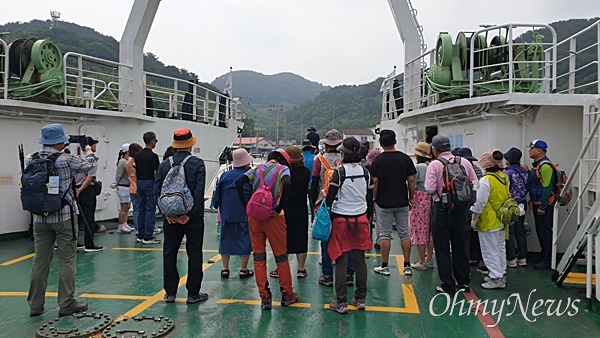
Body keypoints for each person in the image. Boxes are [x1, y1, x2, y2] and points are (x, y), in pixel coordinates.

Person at [27, 124, 93, 317]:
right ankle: (66, 303)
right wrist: (87, 148)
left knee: (40, 260)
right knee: (67, 259)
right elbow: (90, 166)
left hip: (39, 217)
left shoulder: (31, 158)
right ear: (60, 141)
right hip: (63, 215)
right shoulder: (66, 159)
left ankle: (35, 305)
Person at [235, 150, 298, 310]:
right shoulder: (283, 169)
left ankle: (264, 297)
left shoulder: (257, 169)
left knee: (259, 257)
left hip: (255, 216)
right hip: (273, 217)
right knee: (281, 257)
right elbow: (288, 183)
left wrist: (246, 205)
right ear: (282, 160)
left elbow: (239, 182)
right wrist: (279, 207)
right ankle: (287, 294)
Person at [155, 128, 208, 303]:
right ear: (191, 144)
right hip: (192, 217)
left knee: (170, 252)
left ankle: (170, 292)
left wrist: (166, 213)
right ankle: (193, 293)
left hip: (170, 217)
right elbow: (199, 193)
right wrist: (190, 215)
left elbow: (158, 191)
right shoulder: (198, 164)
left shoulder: (165, 164)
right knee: (194, 252)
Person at [425, 135, 478, 295]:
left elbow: (429, 189)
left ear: (434, 149)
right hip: (461, 210)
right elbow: (475, 182)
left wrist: (441, 196)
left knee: (442, 248)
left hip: (441, 210)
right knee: (460, 245)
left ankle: (448, 284)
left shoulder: (435, 164)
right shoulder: (464, 162)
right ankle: (463, 282)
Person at [325, 137, 373, 314]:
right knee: (360, 261)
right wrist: (368, 218)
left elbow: (330, 199)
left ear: (343, 154)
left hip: (341, 220)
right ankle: (360, 299)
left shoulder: (339, 172)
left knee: (341, 261)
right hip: (361, 219)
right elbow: (369, 199)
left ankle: (341, 302)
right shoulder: (366, 172)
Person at [310, 129, 354, 287]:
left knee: (326, 239)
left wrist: (313, 205)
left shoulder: (319, 160)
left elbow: (314, 184)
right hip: (344, 204)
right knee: (347, 239)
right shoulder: (346, 161)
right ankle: (349, 275)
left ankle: (327, 275)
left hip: (323, 203)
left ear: (326, 144)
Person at [371, 129, 416, 276]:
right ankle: (407, 265)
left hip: (384, 202)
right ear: (395, 141)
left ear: (381, 143)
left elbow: (375, 181)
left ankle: (385, 265)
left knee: (385, 234)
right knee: (404, 233)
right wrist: (411, 197)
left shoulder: (378, 160)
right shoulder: (405, 159)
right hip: (402, 201)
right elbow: (411, 180)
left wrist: (375, 198)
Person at [269, 145, 310, 278]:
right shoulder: (305, 172)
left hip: (284, 208)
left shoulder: (283, 171)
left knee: (282, 239)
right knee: (301, 238)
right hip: (301, 208)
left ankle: (280, 268)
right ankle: (301, 268)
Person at [470, 149, 509, 289]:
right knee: (499, 248)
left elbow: (480, 202)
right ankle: (500, 273)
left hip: (488, 220)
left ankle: (495, 278)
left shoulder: (487, 180)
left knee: (489, 249)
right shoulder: (503, 177)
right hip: (501, 218)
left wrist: (474, 219)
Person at [212, 148, 254, 279]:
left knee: (225, 239)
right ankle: (243, 269)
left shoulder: (225, 175)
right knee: (244, 238)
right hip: (243, 212)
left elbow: (217, 194)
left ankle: (225, 269)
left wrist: (216, 205)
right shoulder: (250, 175)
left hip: (227, 212)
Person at [457, 147, 488, 275]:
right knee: (477, 238)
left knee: (465, 237)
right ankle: (479, 261)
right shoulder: (478, 171)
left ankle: (466, 261)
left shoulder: (459, 170)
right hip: (477, 208)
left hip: (465, 207)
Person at [528, 139, 555, 270]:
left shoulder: (545, 166)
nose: (529, 150)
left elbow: (546, 187)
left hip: (543, 205)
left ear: (539, 150)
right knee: (541, 231)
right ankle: (544, 255)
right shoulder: (537, 166)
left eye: (531, 148)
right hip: (537, 204)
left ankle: (547, 259)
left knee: (545, 232)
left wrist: (543, 206)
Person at [74, 140, 104, 252]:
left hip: (76, 188)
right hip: (86, 190)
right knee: (89, 217)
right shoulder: (91, 159)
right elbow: (90, 177)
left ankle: (75, 242)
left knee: (77, 217)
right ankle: (89, 244)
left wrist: (76, 190)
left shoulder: (77, 158)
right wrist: (81, 190)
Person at [409, 142, 434, 271]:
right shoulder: (434, 165)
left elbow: (412, 182)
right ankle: (429, 258)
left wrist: (410, 198)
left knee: (419, 229)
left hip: (420, 198)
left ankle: (421, 260)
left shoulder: (418, 167)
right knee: (430, 231)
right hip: (433, 199)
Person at [504, 147, 529, 267]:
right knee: (521, 232)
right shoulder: (525, 172)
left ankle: (511, 258)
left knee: (510, 232)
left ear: (508, 160)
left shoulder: (507, 173)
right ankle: (523, 258)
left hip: (511, 206)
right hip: (523, 204)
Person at [135, 131, 161, 244]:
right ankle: (148, 235)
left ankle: (140, 234)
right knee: (150, 209)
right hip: (150, 183)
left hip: (140, 182)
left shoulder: (138, 155)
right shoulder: (153, 156)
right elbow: (156, 173)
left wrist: (136, 185)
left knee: (141, 209)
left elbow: (136, 172)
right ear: (152, 141)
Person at [115, 143, 133, 234]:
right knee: (124, 207)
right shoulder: (122, 162)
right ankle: (121, 225)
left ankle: (125, 223)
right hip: (123, 186)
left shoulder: (126, 161)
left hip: (127, 186)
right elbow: (118, 175)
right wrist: (117, 183)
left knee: (127, 207)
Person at [126, 143, 143, 231]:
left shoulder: (128, 164)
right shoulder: (140, 162)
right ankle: (143, 228)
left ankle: (137, 228)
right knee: (143, 209)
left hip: (131, 188)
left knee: (136, 209)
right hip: (139, 187)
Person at [301, 139, 316, 221]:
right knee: (312, 205)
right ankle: (313, 222)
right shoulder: (315, 158)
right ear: (311, 148)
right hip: (312, 185)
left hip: (301, 186)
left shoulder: (300, 158)